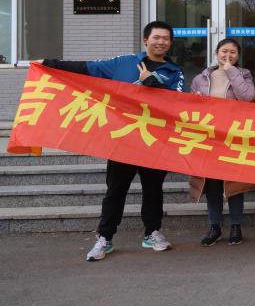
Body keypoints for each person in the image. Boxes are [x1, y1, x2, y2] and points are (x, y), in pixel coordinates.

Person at [43, 21, 184, 261]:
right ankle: (105, 238)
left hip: (155, 142)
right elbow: (88, 68)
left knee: (153, 190)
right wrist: (49, 63)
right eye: (156, 37)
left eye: (166, 39)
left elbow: (179, 103)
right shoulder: (124, 63)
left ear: (170, 43)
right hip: (123, 141)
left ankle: (152, 233)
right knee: (116, 191)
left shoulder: (174, 72)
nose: (161, 42)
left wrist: (152, 81)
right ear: (146, 40)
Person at [189, 38, 255, 247]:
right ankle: (215, 226)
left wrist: (231, 70)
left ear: (238, 55)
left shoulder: (243, 74)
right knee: (212, 185)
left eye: (233, 52)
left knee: (235, 183)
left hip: (234, 137)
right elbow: (190, 107)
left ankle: (236, 226)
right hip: (209, 138)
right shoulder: (201, 78)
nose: (228, 55)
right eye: (224, 51)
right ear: (216, 52)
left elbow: (248, 97)